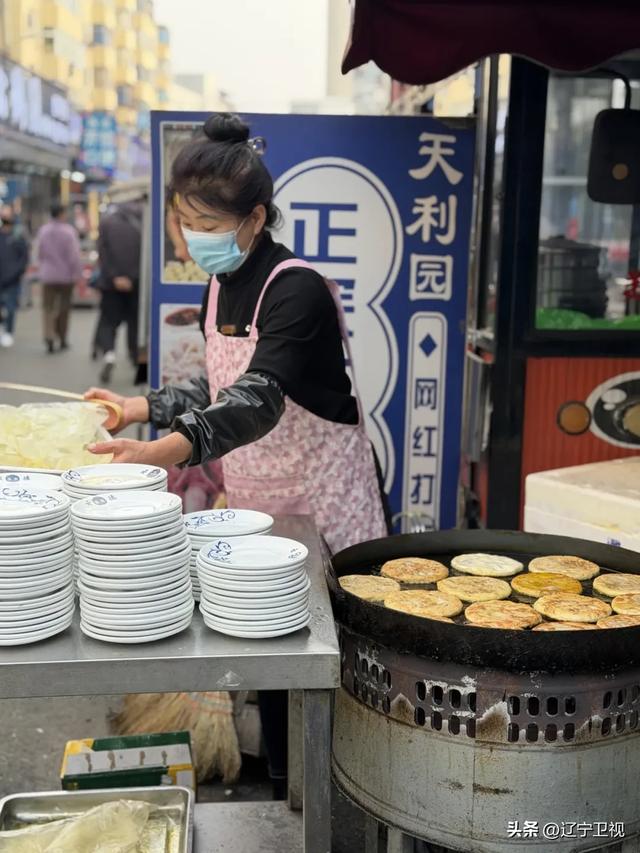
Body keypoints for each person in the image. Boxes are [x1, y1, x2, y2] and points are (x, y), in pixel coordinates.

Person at [85, 113, 390, 796]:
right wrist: (142, 407)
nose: (193, 237)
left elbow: (256, 397)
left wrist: (162, 449)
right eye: (183, 220)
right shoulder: (218, 284)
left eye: (209, 225)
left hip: (322, 504)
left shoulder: (296, 289)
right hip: (257, 505)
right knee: (270, 654)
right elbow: (217, 383)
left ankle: (340, 792)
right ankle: (288, 787)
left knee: (330, 658)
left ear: (255, 219)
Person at [93, 200, 143, 382]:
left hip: (111, 284)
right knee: (134, 322)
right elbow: (144, 254)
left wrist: (115, 276)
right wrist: (131, 277)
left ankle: (109, 355)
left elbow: (102, 254)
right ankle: (135, 358)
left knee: (108, 322)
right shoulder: (143, 221)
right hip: (135, 284)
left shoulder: (106, 222)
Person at [36, 202, 83, 353]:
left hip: (48, 275)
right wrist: (77, 274)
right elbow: (74, 256)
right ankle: (62, 338)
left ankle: (49, 336)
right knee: (64, 308)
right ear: (62, 214)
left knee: (48, 308)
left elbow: (39, 253)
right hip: (65, 277)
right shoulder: (68, 231)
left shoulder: (43, 231)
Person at [0, 204, 29, 348]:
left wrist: (17, 272)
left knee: (11, 308)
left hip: (12, 280)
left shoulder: (17, 235)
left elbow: (24, 257)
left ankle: (8, 332)